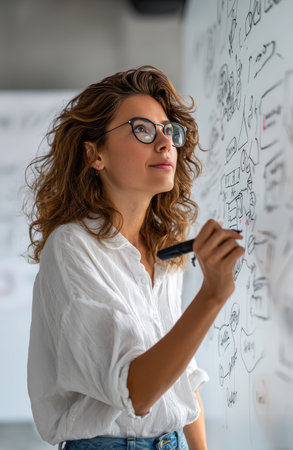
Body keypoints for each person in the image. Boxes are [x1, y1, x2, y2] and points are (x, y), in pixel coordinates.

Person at [26, 65, 244, 449]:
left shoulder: (163, 253)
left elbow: (181, 382)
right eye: (142, 129)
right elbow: (137, 393)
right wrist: (213, 294)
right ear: (95, 154)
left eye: (168, 130)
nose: (165, 143)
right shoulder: (72, 247)